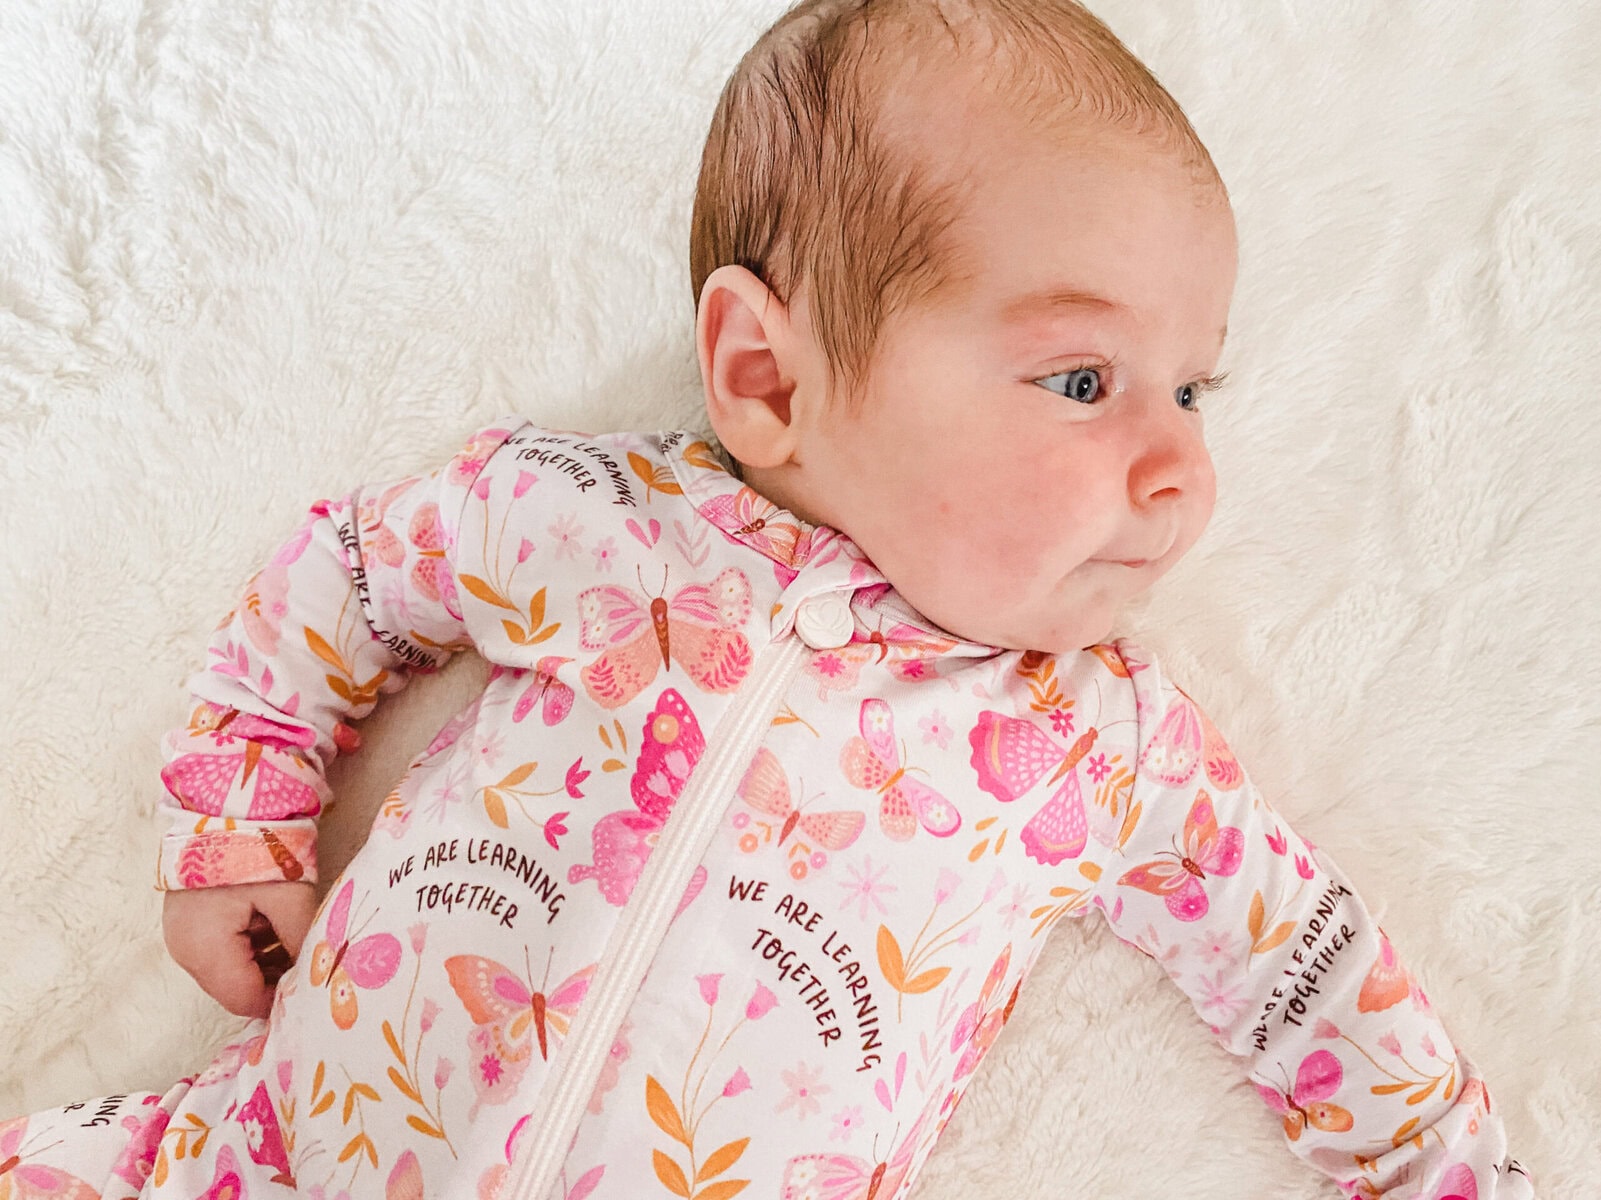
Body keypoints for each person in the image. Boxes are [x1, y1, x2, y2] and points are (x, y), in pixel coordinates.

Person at [0, 1, 1533, 1197]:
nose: (1178, 463)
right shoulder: (603, 530)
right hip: (260, 1164)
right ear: (765, 378)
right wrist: (235, 818)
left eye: (1192, 386)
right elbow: (346, 576)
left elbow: (1310, 976)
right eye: (1084, 379)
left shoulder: (1099, 748)